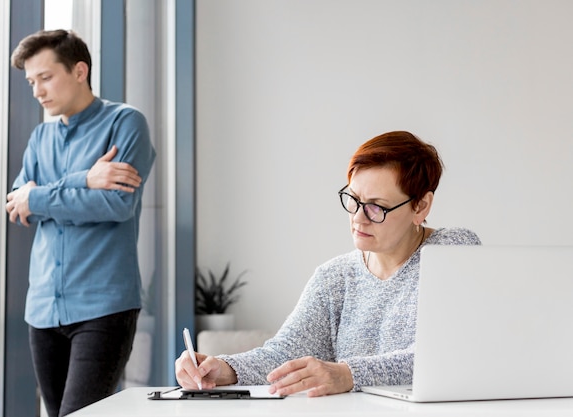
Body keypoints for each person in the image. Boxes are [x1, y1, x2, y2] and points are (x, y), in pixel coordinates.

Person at [175, 131, 480, 397]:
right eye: (354, 199)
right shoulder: (335, 277)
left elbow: (443, 356)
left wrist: (347, 374)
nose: (358, 218)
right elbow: (284, 354)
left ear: (421, 206)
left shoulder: (452, 251)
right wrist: (223, 368)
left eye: (376, 207)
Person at [6, 29, 155, 417]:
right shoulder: (40, 137)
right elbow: (18, 207)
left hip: (104, 306)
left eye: (46, 77)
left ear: (79, 70)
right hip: (41, 308)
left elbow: (115, 204)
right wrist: (83, 180)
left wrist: (39, 195)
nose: (37, 90)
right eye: (31, 81)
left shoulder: (126, 123)